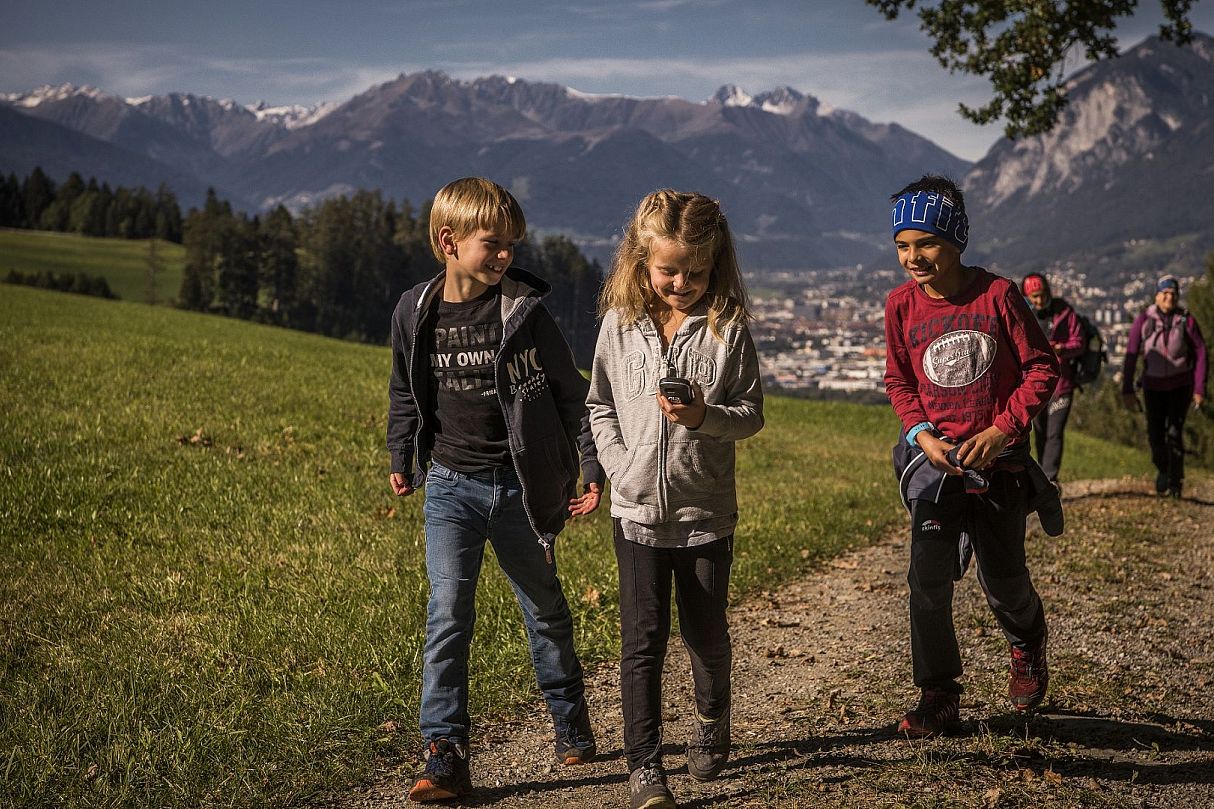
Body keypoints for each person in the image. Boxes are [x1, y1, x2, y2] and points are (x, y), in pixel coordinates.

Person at [387, 177, 605, 802]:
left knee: (544, 610)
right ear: (448, 242)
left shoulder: (524, 314)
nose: (506, 255)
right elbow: (405, 387)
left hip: (519, 489)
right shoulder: (415, 310)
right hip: (450, 488)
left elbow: (572, 396)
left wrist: (589, 468)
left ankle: (569, 718)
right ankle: (444, 749)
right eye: (494, 244)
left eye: (512, 244)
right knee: (448, 611)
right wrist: (401, 450)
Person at [587, 190, 763, 809]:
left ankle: (713, 721)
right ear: (640, 264)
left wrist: (703, 416)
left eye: (696, 271)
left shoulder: (728, 329)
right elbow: (600, 405)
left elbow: (750, 416)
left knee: (706, 634)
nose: (682, 283)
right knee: (641, 642)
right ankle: (644, 768)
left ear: (716, 264)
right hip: (635, 514)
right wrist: (618, 467)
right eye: (669, 271)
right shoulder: (619, 324)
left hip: (704, 514)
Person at [883, 175, 1060, 739]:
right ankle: (939, 695)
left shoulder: (998, 295)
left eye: (926, 243)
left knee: (1004, 579)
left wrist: (1005, 430)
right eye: (903, 245)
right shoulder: (899, 306)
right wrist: (920, 434)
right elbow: (900, 382)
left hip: (999, 468)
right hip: (938, 469)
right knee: (927, 580)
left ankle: (1027, 643)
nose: (914, 257)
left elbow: (1042, 368)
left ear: (956, 239)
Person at [1121, 275, 1207, 498]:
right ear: (1157, 296)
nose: (1169, 298)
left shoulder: (1185, 320)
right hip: (1153, 387)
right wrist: (1127, 389)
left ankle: (1176, 483)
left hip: (1180, 386)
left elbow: (1200, 351)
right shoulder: (1144, 320)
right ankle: (1163, 469)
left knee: (1174, 433)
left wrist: (1199, 388)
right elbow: (1131, 355)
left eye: (1174, 294)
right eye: (1165, 293)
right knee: (1155, 434)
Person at [1020, 273, 1085, 484]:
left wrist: (1062, 349)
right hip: (1034, 385)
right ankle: (1041, 477)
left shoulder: (1065, 313)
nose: (1038, 301)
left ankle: (1050, 479)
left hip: (1062, 383)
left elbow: (1080, 342)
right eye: (1033, 297)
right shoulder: (1024, 314)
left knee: (1054, 433)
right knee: (1038, 432)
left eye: (1041, 295)